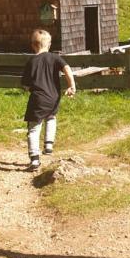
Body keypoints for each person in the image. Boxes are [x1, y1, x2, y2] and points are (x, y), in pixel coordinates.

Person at [20, 29, 76, 170]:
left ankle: (34, 159)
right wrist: (72, 86)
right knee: (51, 117)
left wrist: (28, 88)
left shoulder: (31, 62)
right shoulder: (55, 58)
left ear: (33, 45)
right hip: (54, 97)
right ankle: (49, 145)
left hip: (38, 98)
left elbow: (25, 85)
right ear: (49, 45)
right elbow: (67, 69)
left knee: (34, 128)